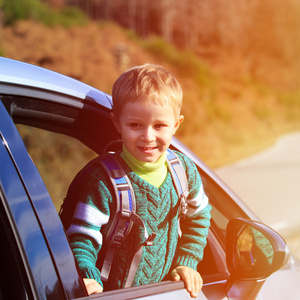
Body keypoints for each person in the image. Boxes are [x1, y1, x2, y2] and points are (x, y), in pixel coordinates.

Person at [66, 64, 211, 298]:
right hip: (110, 295)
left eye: (159, 126)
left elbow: (199, 216)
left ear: (176, 124)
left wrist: (187, 261)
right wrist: (87, 274)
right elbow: (83, 236)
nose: (148, 136)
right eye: (135, 125)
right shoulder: (103, 181)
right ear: (117, 123)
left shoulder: (184, 171)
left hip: (161, 292)